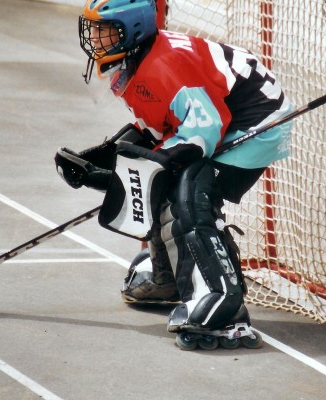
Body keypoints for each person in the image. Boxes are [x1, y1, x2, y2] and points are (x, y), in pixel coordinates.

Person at [55, 0, 292, 349]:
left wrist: (140, 168)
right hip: (222, 114)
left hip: (256, 121)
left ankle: (220, 300)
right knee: (162, 177)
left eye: (105, 30)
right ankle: (168, 276)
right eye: (93, 29)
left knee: (188, 188)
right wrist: (96, 165)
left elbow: (201, 133)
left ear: (132, 30)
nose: (95, 38)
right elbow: (154, 132)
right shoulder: (135, 61)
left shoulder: (164, 66)